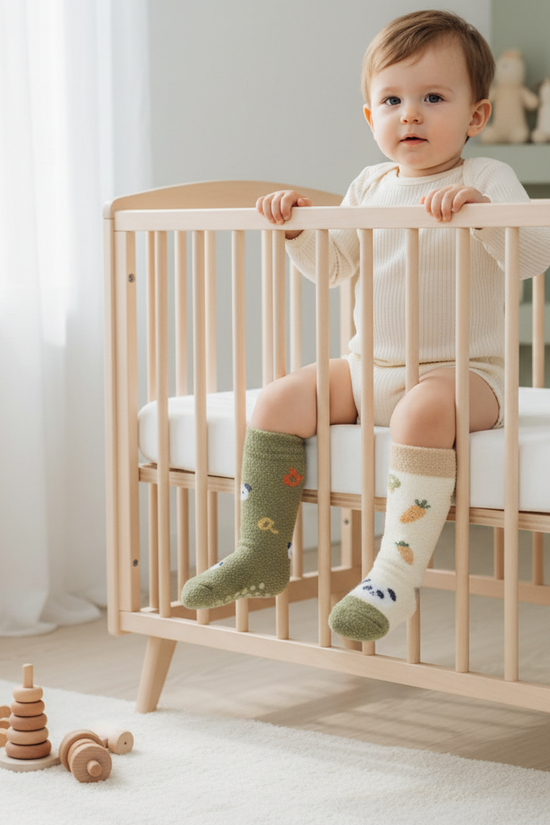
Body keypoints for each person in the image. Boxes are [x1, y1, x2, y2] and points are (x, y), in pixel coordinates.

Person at [182, 10, 550, 642]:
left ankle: (394, 576)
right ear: (369, 116)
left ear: (476, 116)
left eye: (434, 98)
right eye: (392, 100)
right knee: (276, 401)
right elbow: (332, 266)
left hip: (466, 377)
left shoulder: (486, 180)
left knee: (420, 414)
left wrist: (485, 215)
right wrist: (297, 227)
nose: (411, 114)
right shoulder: (368, 185)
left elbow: (532, 257)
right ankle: (262, 551)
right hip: (366, 370)